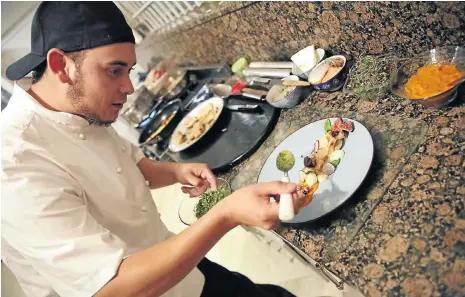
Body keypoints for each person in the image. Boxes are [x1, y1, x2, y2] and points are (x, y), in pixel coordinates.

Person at [1, 2, 299, 297]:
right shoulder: (14, 161)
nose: (129, 87)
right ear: (60, 66)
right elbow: (109, 288)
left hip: (178, 263)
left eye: (128, 70)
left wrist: (177, 171)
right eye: (114, 71)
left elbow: (133, 164)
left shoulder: (77, 107)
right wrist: (226, 214)